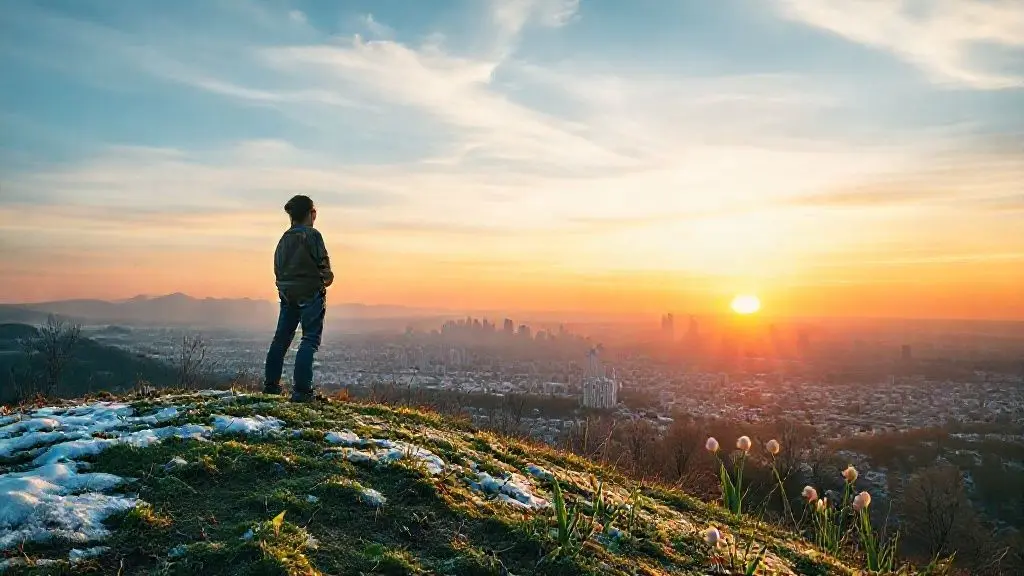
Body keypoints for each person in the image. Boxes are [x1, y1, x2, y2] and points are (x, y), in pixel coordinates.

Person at [263, 195, 333, 402]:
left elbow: (277, 267)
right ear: (311, 213)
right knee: (309, 340)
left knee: (281, 339)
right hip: (311, 292)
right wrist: (326, 280)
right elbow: (324, 266)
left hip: (287, 295)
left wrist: (284, 288)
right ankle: (302, 391)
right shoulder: (312, 236)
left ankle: (271, 386)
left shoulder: (284, 239)